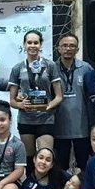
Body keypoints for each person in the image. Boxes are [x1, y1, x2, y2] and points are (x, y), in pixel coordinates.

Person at [9, 30, 63, 172]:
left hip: (46, 118)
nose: (32, 45)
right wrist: (20, 104)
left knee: (46, 157)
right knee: (29, 159)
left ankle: (48, 185)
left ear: (41, 45)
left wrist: (48, 106)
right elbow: (12, 101)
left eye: (36, 42)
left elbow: (59, 96)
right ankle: (30, 184)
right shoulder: (17, 68)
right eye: (29, 42)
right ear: (24, 45)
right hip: (26, 119)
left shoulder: (50, 65)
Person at [53, 33, 93, 172]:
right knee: (60, 168)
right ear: (58, 48)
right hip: (59, 127)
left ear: (77, 49)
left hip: (82, 128)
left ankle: (85, 186)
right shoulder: (51, 69)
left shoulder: (86, 68)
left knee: (84, 166)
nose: (68, 48)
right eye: (64, 45)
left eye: (72, 46)